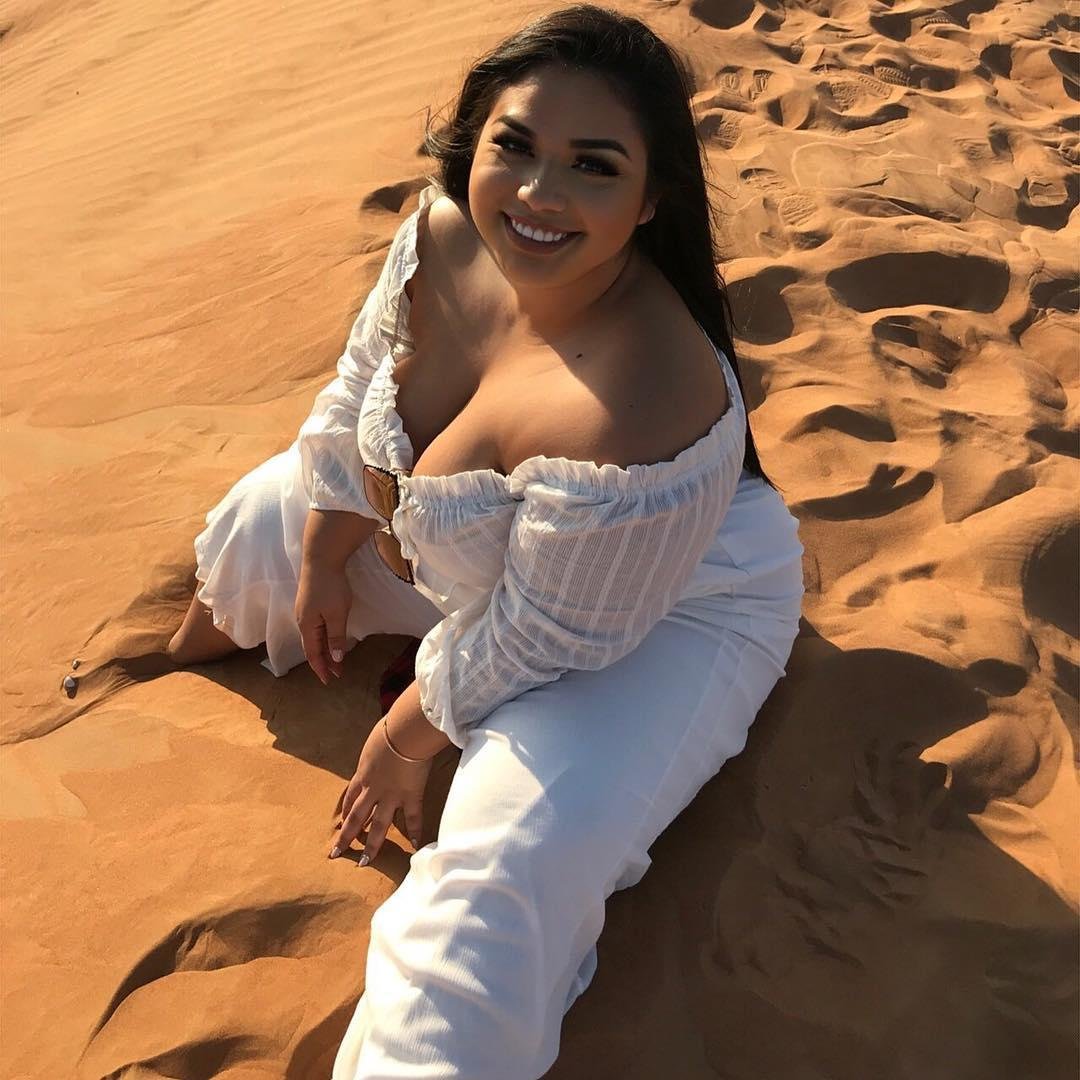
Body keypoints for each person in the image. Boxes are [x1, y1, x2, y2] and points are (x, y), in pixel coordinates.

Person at [168, 5, 804, 1076]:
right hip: (477, 551)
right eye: (515, 146)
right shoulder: (443, 231)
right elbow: (362, 382)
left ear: (651, 199)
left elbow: (544, 635)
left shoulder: (645, 391)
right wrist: (322, 548)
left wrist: (404, 736)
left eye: (593, 166)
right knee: (258, 526)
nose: (539, 194)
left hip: (660, 618)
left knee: (498, 883)